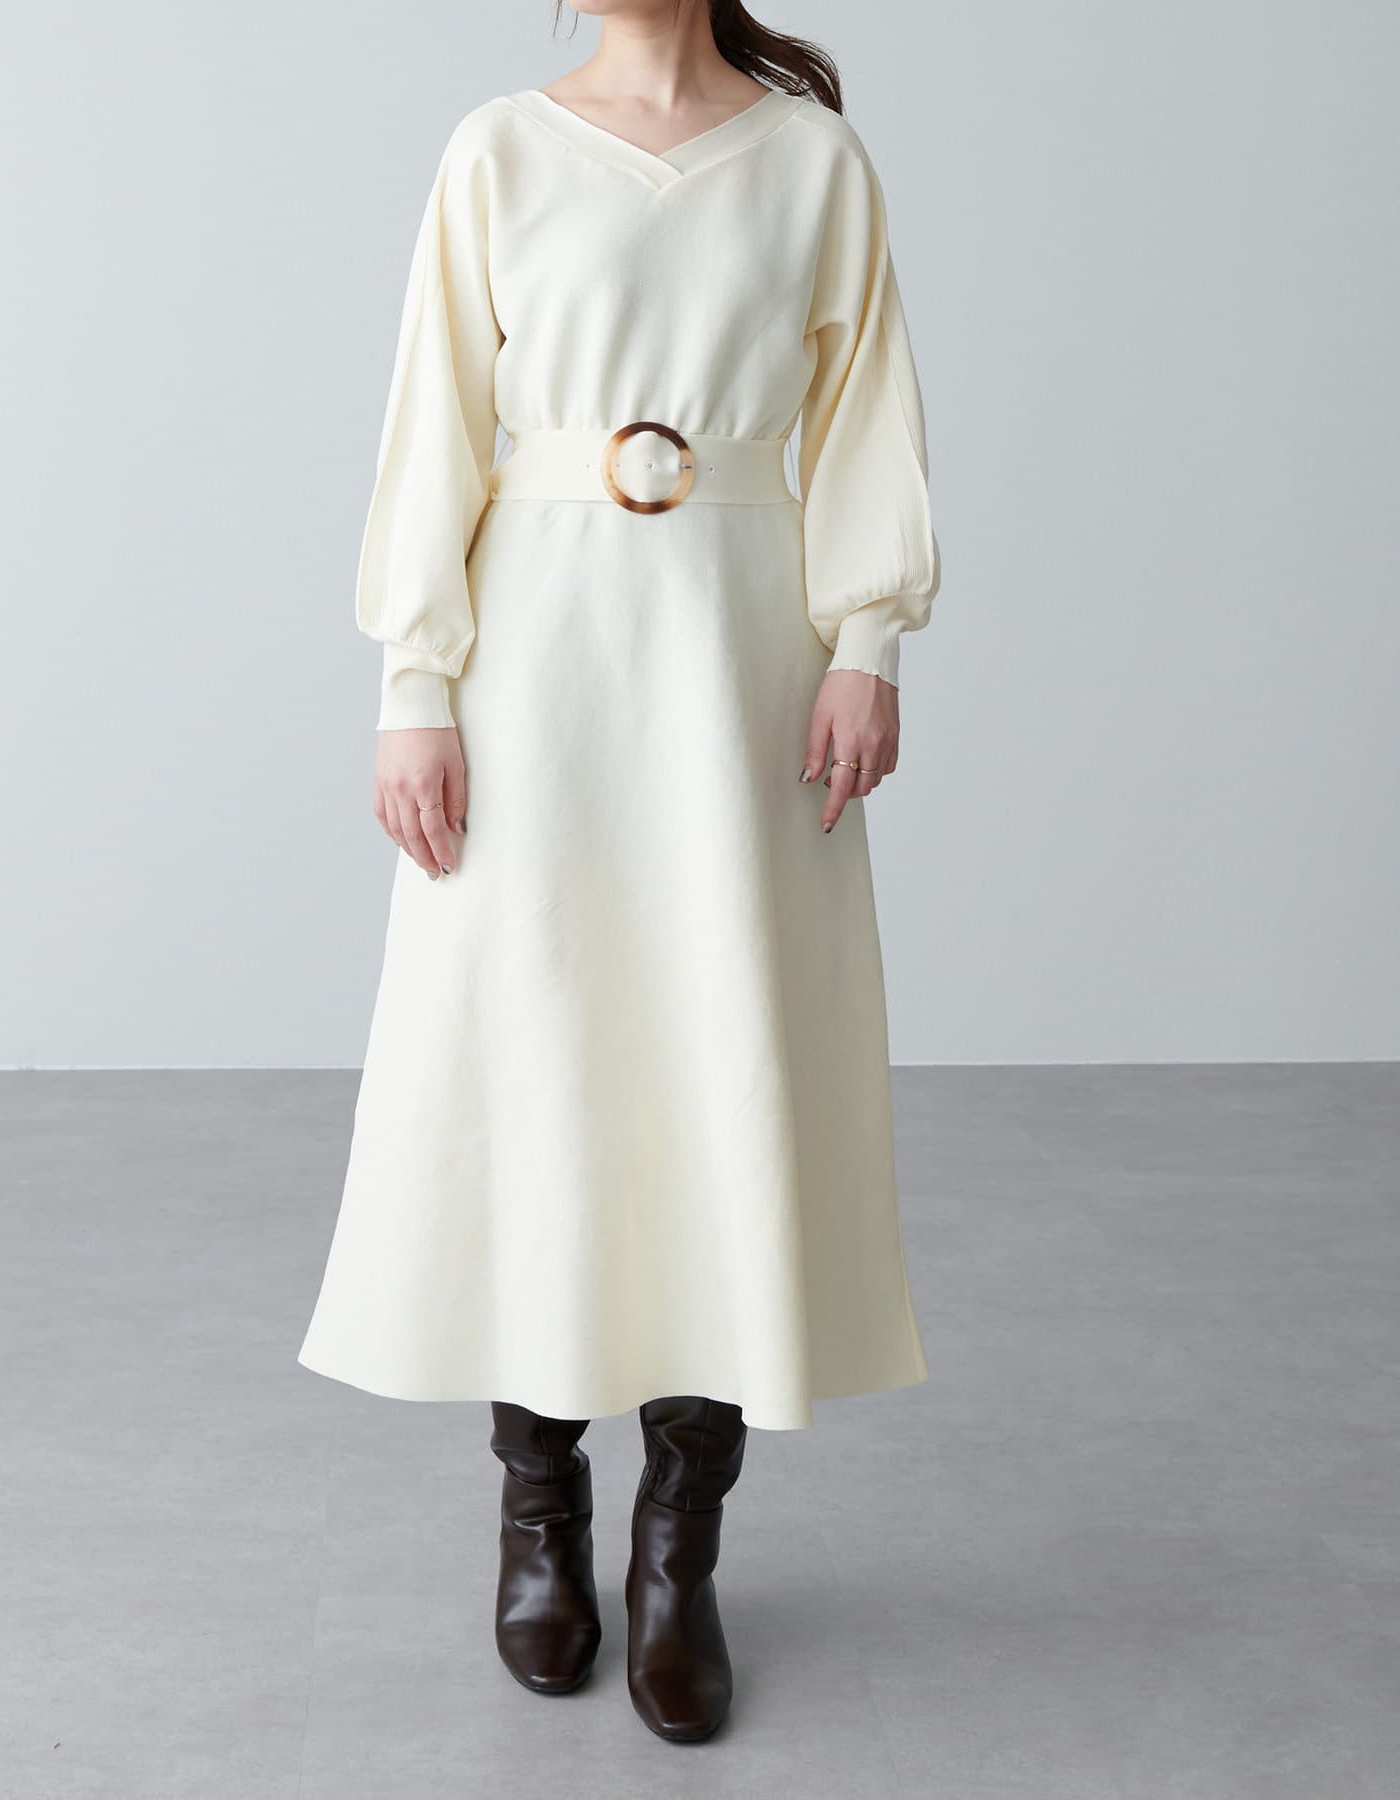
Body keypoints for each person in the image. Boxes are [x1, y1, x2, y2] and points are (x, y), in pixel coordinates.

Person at [299, 0, 941, 1744]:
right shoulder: (499, 150)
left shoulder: (811, 160)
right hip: (540, 666)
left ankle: (680, 1545)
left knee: (724, 1066)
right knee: (541, 1065)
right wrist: (415, 684)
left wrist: (868, 642)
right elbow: (436, 424)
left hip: (739, 663)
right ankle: (539, 1508)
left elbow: (864, 413)